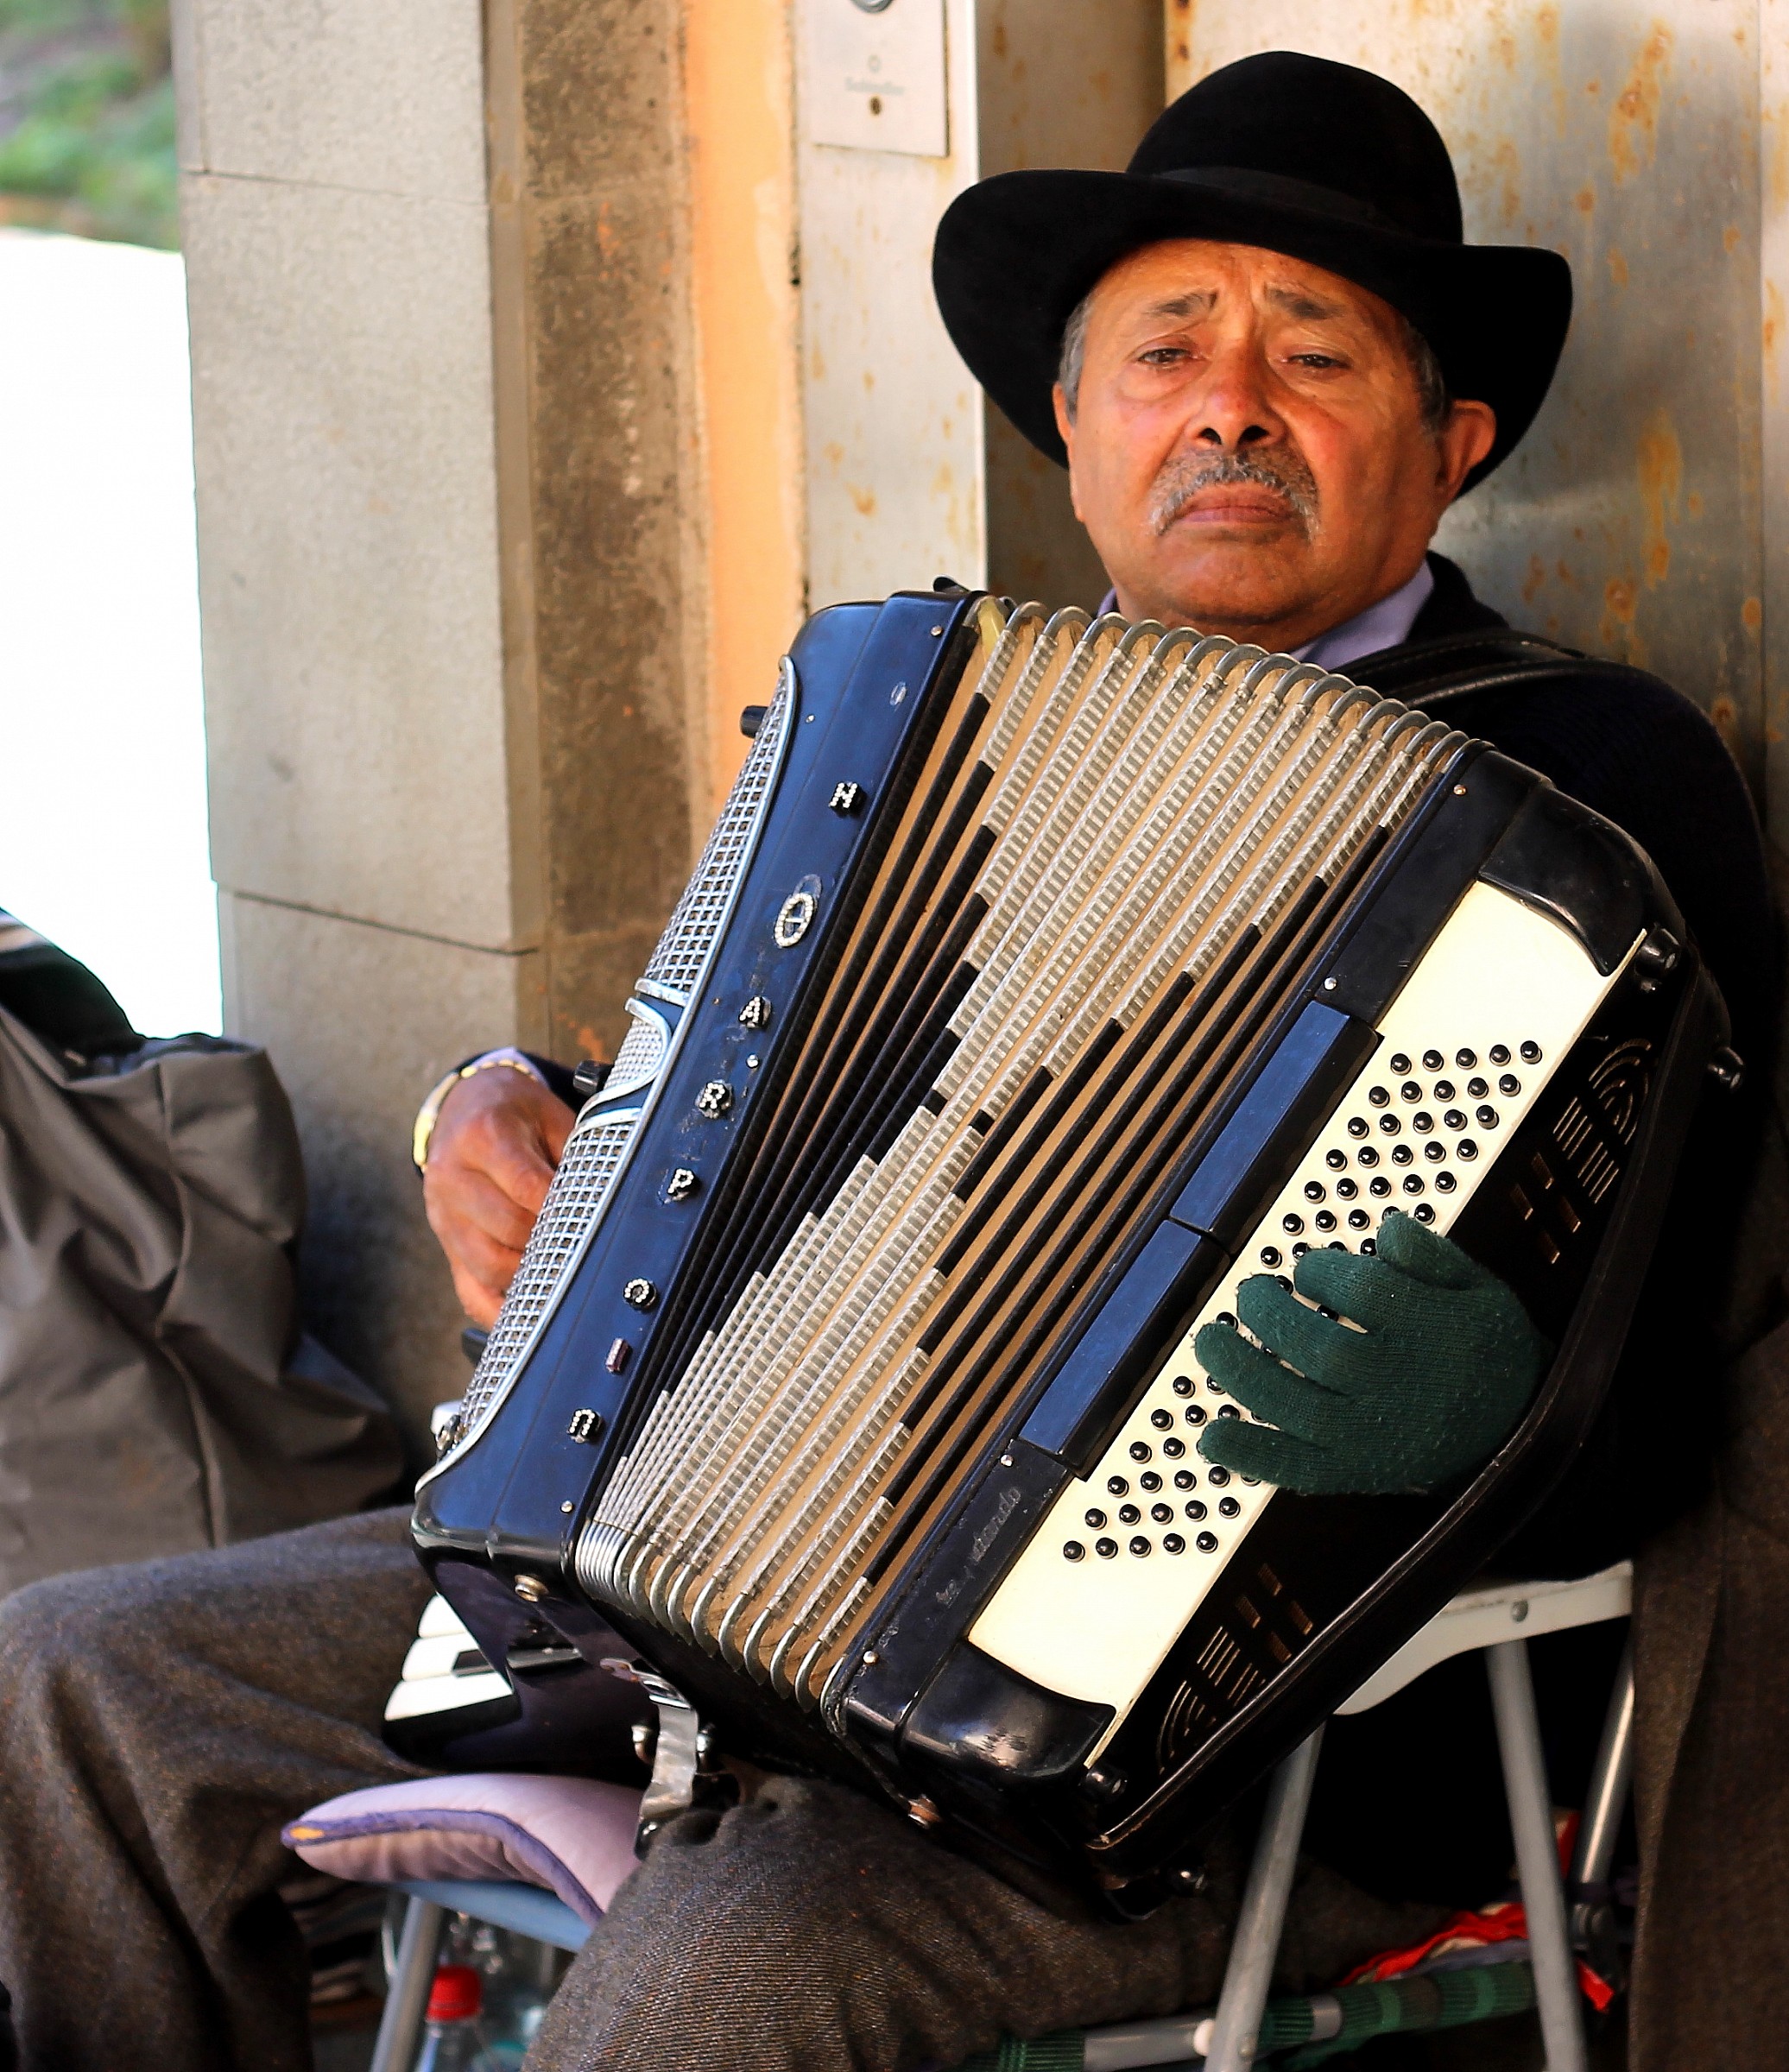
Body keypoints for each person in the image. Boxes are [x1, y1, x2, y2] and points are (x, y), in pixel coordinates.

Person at [0, 53, 1772, 2072]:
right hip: (664, 1605)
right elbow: (729, 1092)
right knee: (68, 1686)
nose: (1227, 407)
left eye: (1314, 357)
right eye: (1164, 353)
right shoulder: (939, 728)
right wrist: (493, 1105)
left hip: (1226, 1750)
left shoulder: (1580, 794)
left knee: (721, 1982)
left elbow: (1687, 1380)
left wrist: (1491, 1407)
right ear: (1073, 430)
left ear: (1447, 447)